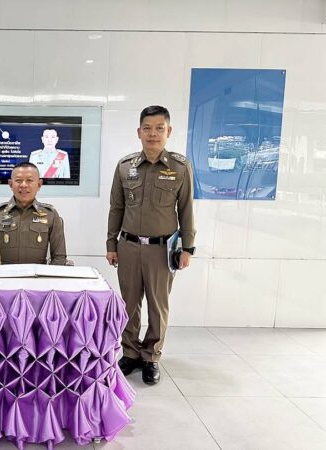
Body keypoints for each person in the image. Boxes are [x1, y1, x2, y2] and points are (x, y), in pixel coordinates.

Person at [106, 105, 195, 385]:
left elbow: (186, 209)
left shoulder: (180, 167)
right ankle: (130, 352)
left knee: (158, 305)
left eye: (159, 128)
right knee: (129, 304)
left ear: (168, 131)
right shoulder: (125, 166)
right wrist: (111, 244)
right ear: (139, 132)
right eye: (147, 128)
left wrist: (188, 247)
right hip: (129, 246)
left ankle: (152, 356)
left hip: (162, 249)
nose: (153, 134)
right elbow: (116, 207)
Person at [0, 162, 66, 265]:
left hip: (38, 274)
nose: (23, 185)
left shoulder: (50, 214)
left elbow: (59, 257)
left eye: (29, 180)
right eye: (18, 181)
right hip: (6, 274)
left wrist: (46, 275)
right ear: (11, 184)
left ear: (39, 184)